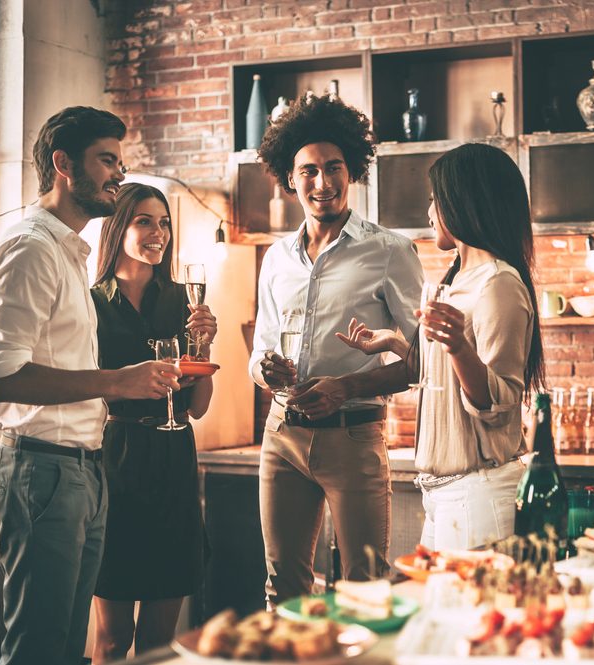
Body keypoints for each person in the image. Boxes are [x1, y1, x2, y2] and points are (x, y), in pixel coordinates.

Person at [0, 107, 181, 665]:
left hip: (82, 468)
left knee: (70, 651)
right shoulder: (32, 248)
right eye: (107, 160)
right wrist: (119, 380)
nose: (119, 173)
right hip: (40, 469)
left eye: (120, 160)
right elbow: (2, 378)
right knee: (37, 649)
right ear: (64, 164)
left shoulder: (67, 250)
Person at [250, 93, 423, 603]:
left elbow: (420, 361)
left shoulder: (391, 251)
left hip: (354, 437)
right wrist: (269, 370)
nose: (322, 183)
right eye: (308, 171)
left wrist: (345, 386)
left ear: (352, 172)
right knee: (283, 589)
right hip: (281, 438)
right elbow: (258, 351)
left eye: (333, 168)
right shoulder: (276, 258)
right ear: (289, 177)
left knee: (364, 589)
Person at [338, 143, 544, 549]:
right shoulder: (457, 280)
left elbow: (499, 402)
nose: (429, 212)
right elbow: (444, 380)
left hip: (478, 494)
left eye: (435, 199)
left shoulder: (498, 284)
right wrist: (397, 343)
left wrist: (458, 348)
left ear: (464, 202)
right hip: (444, 496)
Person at [89, 183, 218, 661]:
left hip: (173, 461)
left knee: (160, 644)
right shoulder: (91, 303)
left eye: (164, 223)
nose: (158, 232)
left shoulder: (184, 300)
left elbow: (199, 405)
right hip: (115, 463)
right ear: (119, 225)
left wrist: (205, 347)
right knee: (112, 638)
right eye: (144, 220)